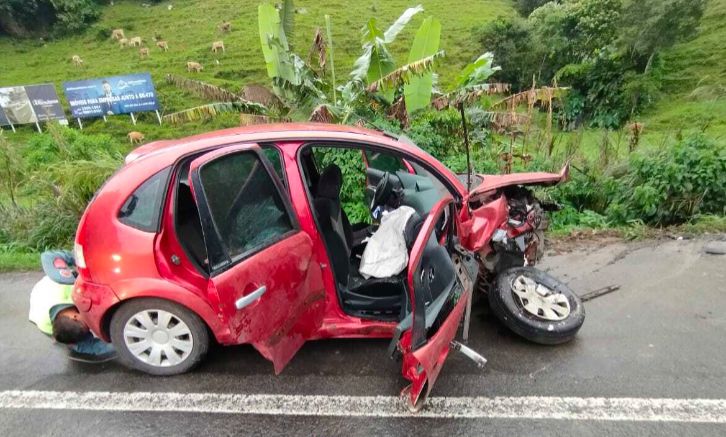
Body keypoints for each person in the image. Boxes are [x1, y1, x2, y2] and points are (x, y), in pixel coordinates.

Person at [28, 251, 116, 363]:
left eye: (86, 326)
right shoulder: (45, 325)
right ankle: (69, 343)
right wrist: (123, 345)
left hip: (50, 287)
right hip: (38, 313)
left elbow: (49, 255)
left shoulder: (67, 284)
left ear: (75, 316)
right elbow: (91, 347)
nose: (89, 327)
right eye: (88, 327)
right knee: (79, 345)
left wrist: (80, 260)